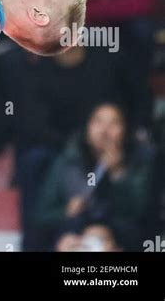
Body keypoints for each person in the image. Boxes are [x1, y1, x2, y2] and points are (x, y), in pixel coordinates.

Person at [34, 103, 156, 251]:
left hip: (121, 238)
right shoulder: (68, 161)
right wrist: (65, 211)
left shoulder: (140, 161)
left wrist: (117, 173)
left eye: (114, 123)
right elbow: (41, 216)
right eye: (98, 122)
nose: (105, 131)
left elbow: (140, 212)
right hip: (74, 234)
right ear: (87, 127)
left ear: (125, 130)